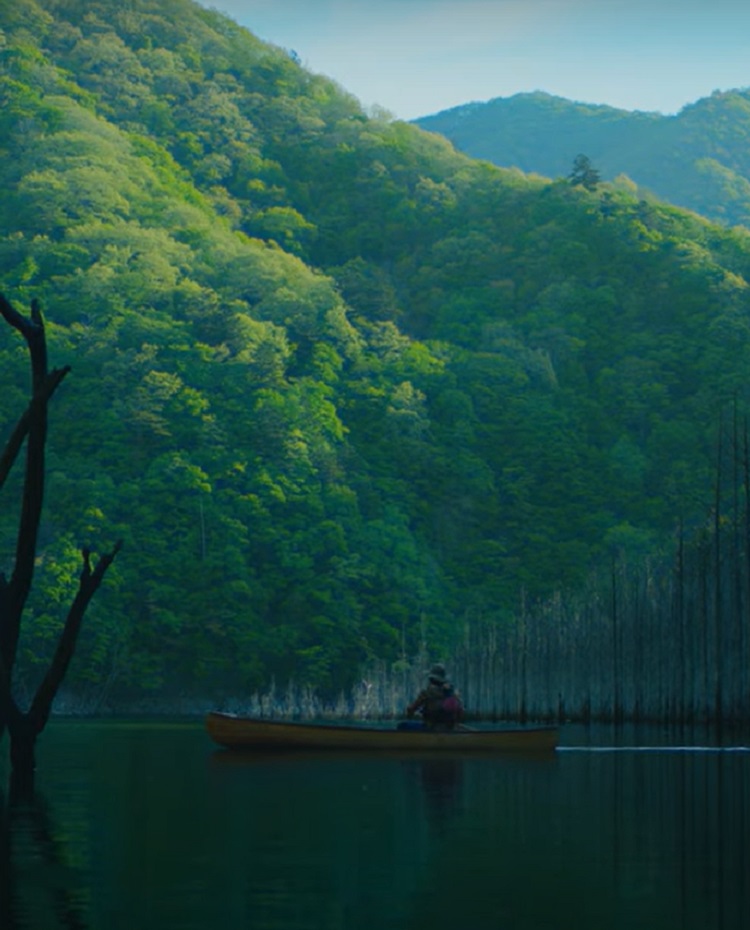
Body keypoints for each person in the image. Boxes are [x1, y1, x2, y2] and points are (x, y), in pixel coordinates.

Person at [405, 663, 464, 730]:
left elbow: (411, 710)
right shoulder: (452, 694)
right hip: (449, 729)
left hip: (431, 728)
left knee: (402, 726)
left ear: (431, 679)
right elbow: (461, 714)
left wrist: (411, 713)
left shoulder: (426, 693)